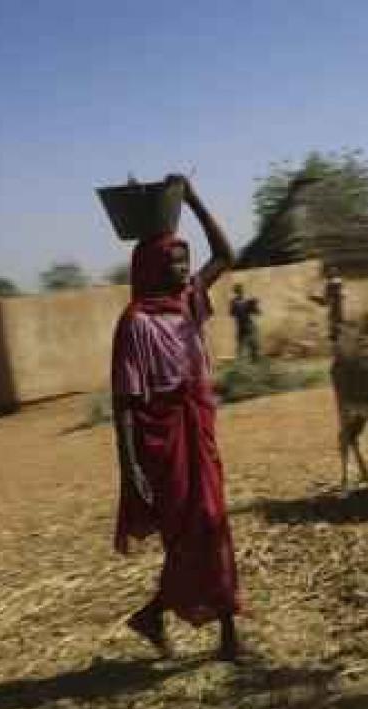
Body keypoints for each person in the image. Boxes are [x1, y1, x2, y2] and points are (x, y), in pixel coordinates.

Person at [110, 173, 241, 661]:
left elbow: (227, 255)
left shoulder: (189, 301)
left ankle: (219, 629)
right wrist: (131, 469)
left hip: (197, 428)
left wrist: (195, 200)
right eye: (177, 263)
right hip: (160, 442)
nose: (187, 271)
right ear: (150, 267)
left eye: (188, 262)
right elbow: (124, 403)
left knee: (213, 522)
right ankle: (182, 620)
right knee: (191, 534)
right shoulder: (135, 324)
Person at [309, 265, 345, 343]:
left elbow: (328, 299)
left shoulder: (334, 282)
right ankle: (335, 334)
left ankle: (335, 334)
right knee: (334, 317)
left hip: (334, 302)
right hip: (335, 302)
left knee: (333, 316)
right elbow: (335, 294)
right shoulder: (336, 281)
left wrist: (314, 298)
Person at [229, 283, 261, 362]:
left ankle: (254, 360)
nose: (240, 291)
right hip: (242, 326)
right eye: (238, 290)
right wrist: (247, 305)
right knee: (241, 345)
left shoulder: (245, 301)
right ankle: (241, 361)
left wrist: (253, 305)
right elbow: (232, 313)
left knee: (252, 344)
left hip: (247, 325)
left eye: (240, 290)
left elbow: (257, 312)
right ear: (236, 291)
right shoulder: (235, 302)